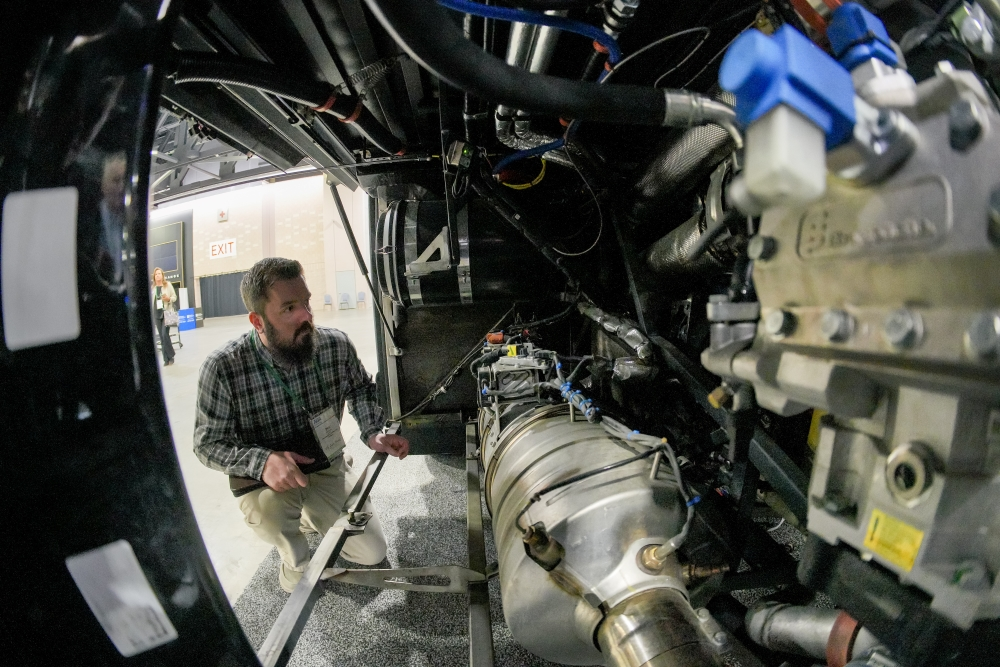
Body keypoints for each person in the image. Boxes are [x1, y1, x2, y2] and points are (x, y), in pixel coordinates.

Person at [193, 257, 409, 593]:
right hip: (267, 481)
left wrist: (372, 432)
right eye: (289, 308)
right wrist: (262, 461)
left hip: (324, 463)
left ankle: (311, 512)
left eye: (306, 302)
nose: (306, 315)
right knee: (273, 518)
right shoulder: (223, 367)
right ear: (258, 321)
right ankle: (293, 563)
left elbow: (361, 389)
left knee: (371, 552)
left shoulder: (334, 345)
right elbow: (207, 444)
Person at [152, 267, 176, 366]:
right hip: (156, 314)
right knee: (162, 337)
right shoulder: (153, 288)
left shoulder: (168, 285)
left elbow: (174, 297)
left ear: (162, 275)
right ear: (154, 276)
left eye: (159, 273)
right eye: (156, 274)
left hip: (168, 313)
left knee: (164, 334)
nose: (158, 275)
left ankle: (171, 355)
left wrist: (168, 299)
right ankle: (166, 359)